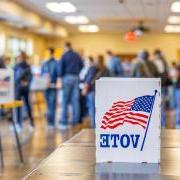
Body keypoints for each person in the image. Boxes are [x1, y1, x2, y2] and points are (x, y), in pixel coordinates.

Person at [57, 42, 83, 130]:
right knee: (75, 99)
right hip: (76, 77)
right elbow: (81, 65)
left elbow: (60, 68)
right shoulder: (77, 55)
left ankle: (64, 121)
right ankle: (75, 120)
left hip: (67, 77)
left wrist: (60, 78)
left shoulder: (64, 55)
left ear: (65, 47)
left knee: (65, 99)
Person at [83, 55, 110, 128]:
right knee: (101, 109)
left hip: (93, 91)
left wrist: (85, 88)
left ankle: (93, 125)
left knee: (92, 109)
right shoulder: (106, 69)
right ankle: (101, 125)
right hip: (103, 92)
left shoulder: (93, 68)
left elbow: (88, 79)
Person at [14, 51, 34, 131]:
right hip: (26, 87)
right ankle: (31, 123)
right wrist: (27, 82)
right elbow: (30, 77)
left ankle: (19, 124)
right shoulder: (28, 65)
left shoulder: (17, 66)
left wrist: (18, 82)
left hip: (19, 88)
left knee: (18, 105)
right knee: (27, 105)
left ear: (20, 57)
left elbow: (15, 78)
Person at [153, 49, 170, 128]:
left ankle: (161, 124)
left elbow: (162, 72)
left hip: (160, 85)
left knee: (160, 105)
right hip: (160, 85)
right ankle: (160, 123)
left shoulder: (159, 62)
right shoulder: (162, 62)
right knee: (159, 105)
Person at [41, 48, 58, 128]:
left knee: (52, 105)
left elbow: (58, 74)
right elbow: (41, 73)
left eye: (48, 53)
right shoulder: (44, 63)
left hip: (52, 86)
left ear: (51, 53)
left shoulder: (56, 62)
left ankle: (51, 122)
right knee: (48, 105)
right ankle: (49, 122)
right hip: (45, 86)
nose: (46, 55)